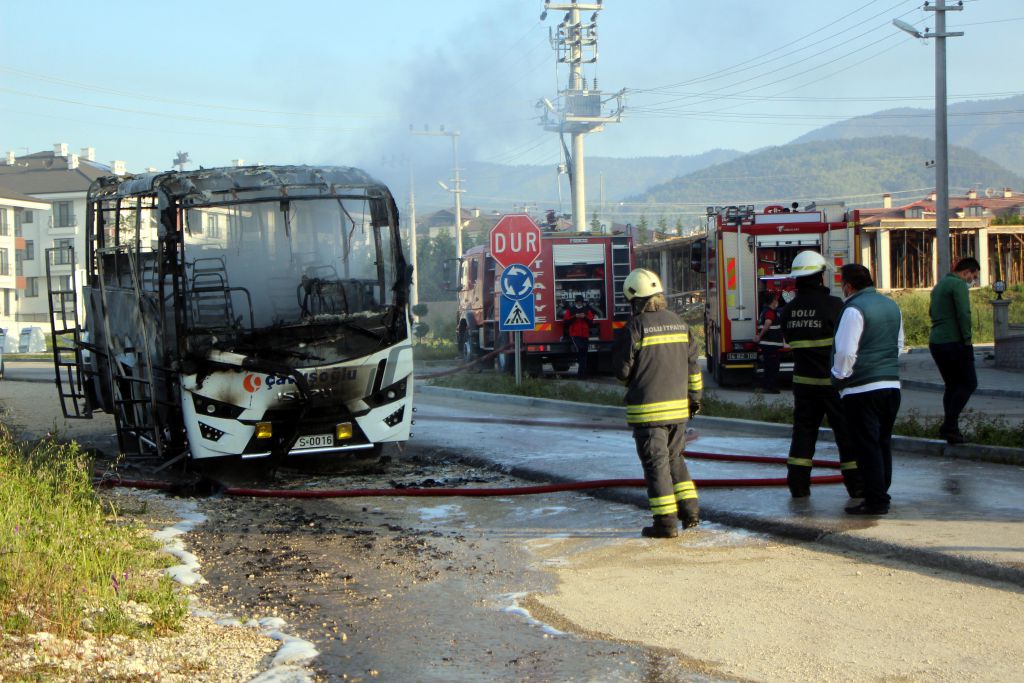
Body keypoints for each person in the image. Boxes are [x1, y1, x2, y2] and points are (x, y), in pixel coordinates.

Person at [612, 268, 703, 538]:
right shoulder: (680, 323)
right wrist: (695, 399)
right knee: (675, 459)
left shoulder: (635, 327)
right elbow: (694, 369)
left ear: (634, 300)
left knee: (656, 466)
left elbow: (622, 371)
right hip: (679, 410)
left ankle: (665, 524)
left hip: (648, 413)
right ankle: (690, 512)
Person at [777, 251, 863, 499]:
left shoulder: (788, 310)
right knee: (845, 435)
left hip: (803, 385)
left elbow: (790, 341)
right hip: (833, 385)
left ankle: (798, 486)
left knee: (803, 435)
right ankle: (856, 486)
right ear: (820, 277)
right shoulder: (835, 306)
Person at [831, 264, 904, 516]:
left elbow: (845, 352)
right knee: (882, 442)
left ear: (849, 286)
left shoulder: (853, 309)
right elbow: (899, 344)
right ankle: (881, 491)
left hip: (862, 389)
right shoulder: (891, 306)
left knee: (866, 446)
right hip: (891, 385)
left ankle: (876, 500)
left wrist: (839, 377)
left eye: (842, 284)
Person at [928, 257, 981, 444]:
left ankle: (951, 429)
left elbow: (931, 312)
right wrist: (967, 340)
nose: (972, 280)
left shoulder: (940, 285)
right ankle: (949, 425)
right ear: (966, 272)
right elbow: (964, 313)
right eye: (973, 276)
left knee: (952, 385)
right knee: (969, 383)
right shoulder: (958, 285)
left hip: (936, 341)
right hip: (954, 341)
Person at [753, 291, 784, 393]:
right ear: (773, 301)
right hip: (771, 345)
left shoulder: (764, 311)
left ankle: (767, 386)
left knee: (768, 366)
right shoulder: (770, 312)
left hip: (768, 345)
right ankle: (772, 387)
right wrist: (759, 336)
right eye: (776, 300)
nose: (777, 301)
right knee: (773, 367)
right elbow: (768, 323)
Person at [562, 294, 596, 378]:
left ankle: (582, 374)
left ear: (582, 302)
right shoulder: (571, 310)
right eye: (578, 301)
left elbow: (591, 322)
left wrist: (584, 317)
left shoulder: (587, 310)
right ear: (575, 302)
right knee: (581, 351)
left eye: (580, 301)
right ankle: (581, 374)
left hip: (585, 335)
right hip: (574, 334)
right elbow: (566, 322)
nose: (579, 303)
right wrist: (575, 316)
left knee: (584, 354)